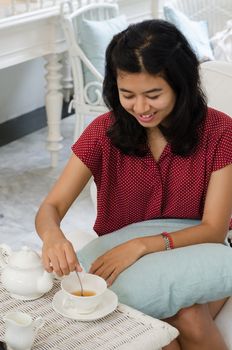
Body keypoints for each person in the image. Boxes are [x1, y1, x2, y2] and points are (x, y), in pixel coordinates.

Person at [35, 19, 232, 349]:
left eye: (153, 95)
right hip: (126, 267)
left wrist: (140, 245)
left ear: (180, 86)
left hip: (197, 250)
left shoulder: (220, 132)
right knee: (152, 336)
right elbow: (51, 207)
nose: (141, 108)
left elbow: (213, 229)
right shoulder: (102, 132)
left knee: (187, 316)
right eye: (128, 95)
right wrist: (52, 235)